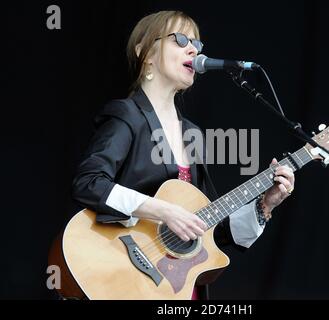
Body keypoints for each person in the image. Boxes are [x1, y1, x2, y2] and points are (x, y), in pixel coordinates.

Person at [71, 10, 295, 300]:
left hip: (176, 288)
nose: (194, 49)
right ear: (146, 53)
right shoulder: (128, 116)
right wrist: (163, 210)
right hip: (127, 279)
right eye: (180, 39)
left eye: (198, 44)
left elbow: (213, 231)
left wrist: (266, 204)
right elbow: (88, 183)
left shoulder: (192, 134)